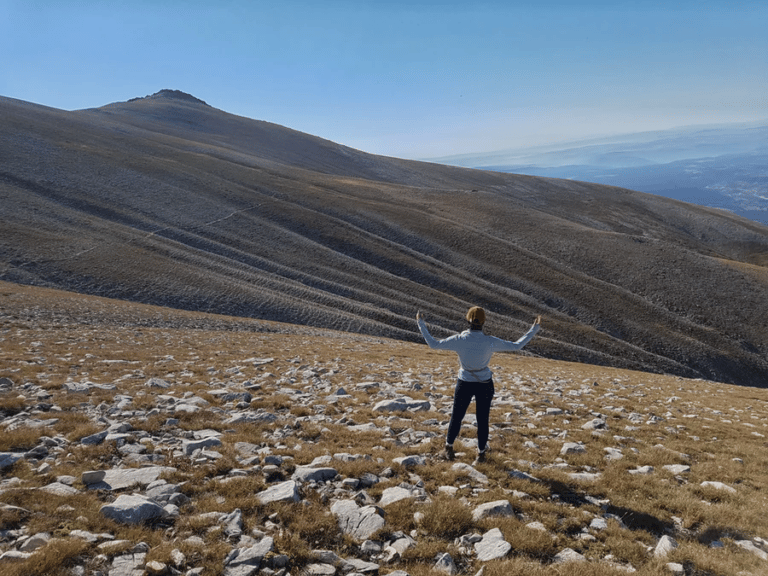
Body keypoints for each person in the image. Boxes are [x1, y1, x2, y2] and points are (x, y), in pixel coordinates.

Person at [416, 306, 541, 465]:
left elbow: (433, 344)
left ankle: (449, 448)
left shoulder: (460, 340)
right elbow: (517, 345)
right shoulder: (490, 341)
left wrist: (421, 323)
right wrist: (534, 328)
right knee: (482, 419)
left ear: (468, 320)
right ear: (484, 322)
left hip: (465, 382)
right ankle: (481, 454)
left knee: (457, 416)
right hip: (485, 383)